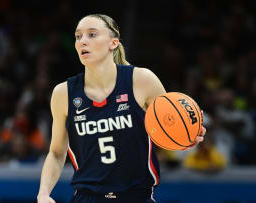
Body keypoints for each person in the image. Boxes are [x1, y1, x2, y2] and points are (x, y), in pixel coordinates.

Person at [37, 14, 206, 203]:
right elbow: (56, 153)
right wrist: (43, 193)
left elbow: (170, 124)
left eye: (92, 34)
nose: (82, 41)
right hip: (87, 198)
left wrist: (187, 136)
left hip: (137, 197)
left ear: (113, 43)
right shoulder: (63, 93)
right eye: (78, 36)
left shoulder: (142, 80)